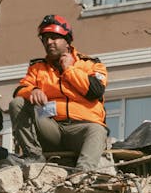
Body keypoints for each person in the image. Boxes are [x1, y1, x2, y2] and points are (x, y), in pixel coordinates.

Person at [8, 15, 109, 170]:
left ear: (67, 40)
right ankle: (34, 156)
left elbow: (95, 91)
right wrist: (32, 91)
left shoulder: (91, 64)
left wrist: (69, 69)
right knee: (17, 103)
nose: (49, 42)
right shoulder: (37, 67)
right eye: (45, 39)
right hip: (51, 127)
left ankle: (81, 175)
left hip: (82, 129)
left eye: (54, 37)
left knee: (97, 130)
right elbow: (19, 90)